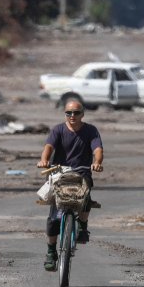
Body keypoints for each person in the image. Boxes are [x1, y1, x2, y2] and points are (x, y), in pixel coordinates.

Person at [37, 101, 103, 271]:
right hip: (59, 172)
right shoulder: (58, 129)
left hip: (82, 172)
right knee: (53, 215)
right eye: (68, 112)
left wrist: (97, 163)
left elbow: (97, 149)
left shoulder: (91, 130)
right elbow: (49, 146)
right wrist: (44, 159)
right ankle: (51, 252)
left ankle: (83, 226)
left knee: (85, 196)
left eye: (76, 112)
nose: (72, 115)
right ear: (65, 114)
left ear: (83, 114)